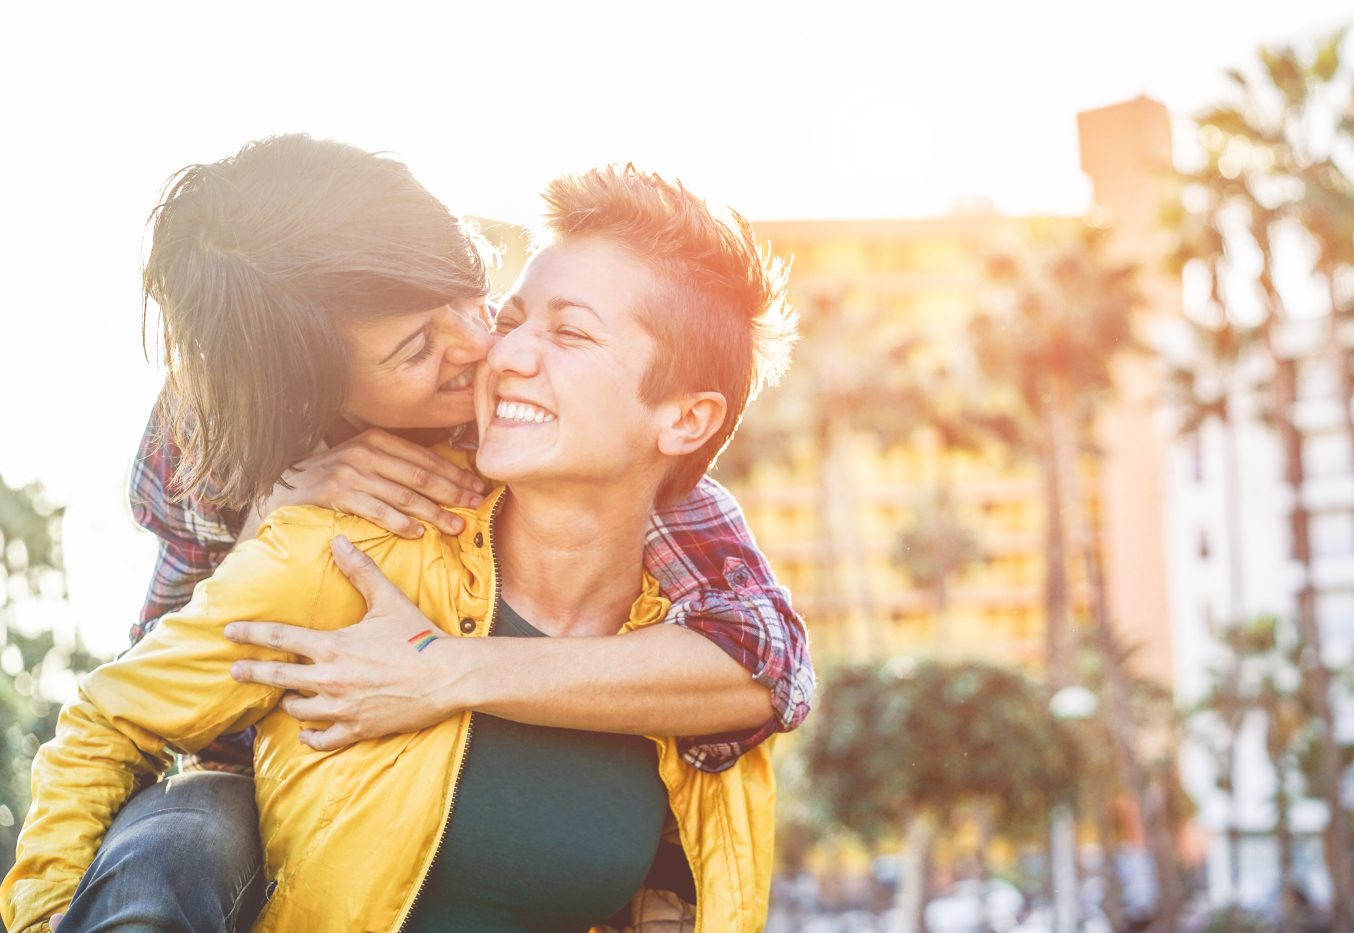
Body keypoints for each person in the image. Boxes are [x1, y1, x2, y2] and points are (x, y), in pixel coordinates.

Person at [3, 138, 810, 931]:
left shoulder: (596, 468)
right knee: (178, 845)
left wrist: (443, 668)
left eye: (473, 297)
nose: (486, 348)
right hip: (228, 775)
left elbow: (765, 660)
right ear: (316, 398)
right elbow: (133, 701)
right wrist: (271, 504)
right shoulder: (248, 463)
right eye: (417, 348)